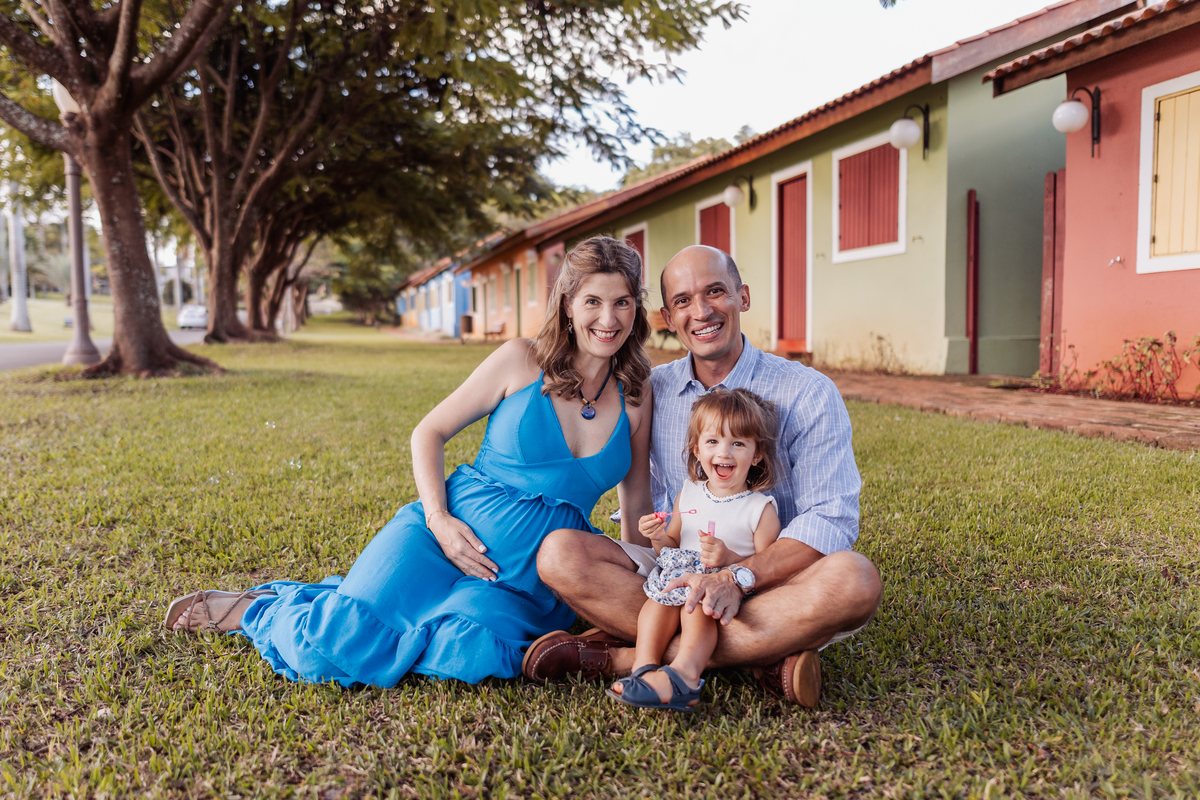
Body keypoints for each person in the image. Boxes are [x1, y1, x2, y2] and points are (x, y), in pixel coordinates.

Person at [164, 236, 655, 687]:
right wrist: (439, 520)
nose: (607, 319)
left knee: (468, 656)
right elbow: (430, 432)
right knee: (326, 651)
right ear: (568, 305)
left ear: (636, 310)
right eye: (593, 301)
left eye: (621, 303)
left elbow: (636, 506)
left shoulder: (637, 395)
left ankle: (367, 607)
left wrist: (622, 597)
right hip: (441, 532)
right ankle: (262, 611)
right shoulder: (521, 360)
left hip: (522, 578)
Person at [526, 245, 882, 708]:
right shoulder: (654, 388)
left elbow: (830, 520)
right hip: (679, 573)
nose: (702, 311)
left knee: (854, 579)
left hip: (774, 579)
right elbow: (649, 500)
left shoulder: (808, 391)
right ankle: (763, 659)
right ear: (667, 318)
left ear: (743, 298)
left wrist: (738, 577)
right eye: (683, 301)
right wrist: (655, 537)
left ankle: (623, 658)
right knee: (558, 554)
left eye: (716, 292)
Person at [608, 388, 781, 711]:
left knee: (694, 609)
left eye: (738, 443)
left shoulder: (759, 509)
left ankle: (684, 677)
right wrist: (658, 536)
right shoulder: (689, 493)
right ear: (697, 449)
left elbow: (766, 566)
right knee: (657, 605)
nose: (724, 452)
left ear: (756, 455)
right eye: (713, 441)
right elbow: (672, 544)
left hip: (719, 587)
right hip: (677, 577)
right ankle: (644, 668)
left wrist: (730, 560)